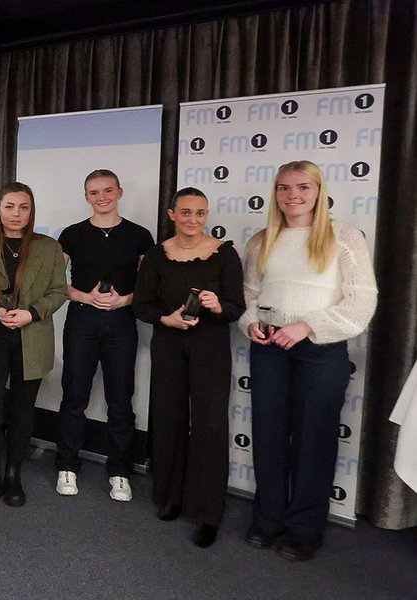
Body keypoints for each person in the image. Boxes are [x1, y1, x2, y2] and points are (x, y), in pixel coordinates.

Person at [239, 160, 377, 561]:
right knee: (268, 434)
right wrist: (251, 322)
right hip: (269, 348)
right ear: (275, 193)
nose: (293, 195)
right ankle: (268, 519)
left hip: (320, 351)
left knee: (313, 438)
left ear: (318, 191)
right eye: (284, 188)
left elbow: (361, 302)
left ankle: (305, 529)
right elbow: (249, 295)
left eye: (303, 187)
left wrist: (307, 326)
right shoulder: (261, 240)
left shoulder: (344, 236)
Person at [133, 187, 244, 548]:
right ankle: (172, 497)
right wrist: (166, 319)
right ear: (172, 214)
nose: (193, 220)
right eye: (185, 212)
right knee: (169, 420)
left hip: (210, 347)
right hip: (169, 344)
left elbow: (236, 307)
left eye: (200, 213)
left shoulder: (224, 254)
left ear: (206, 215)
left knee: (210, 426)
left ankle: (209, 513)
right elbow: (142, 306)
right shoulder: (156, 255)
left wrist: (216, 305)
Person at [0, 182, 67, 512]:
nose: (16, 214)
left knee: (22, 411)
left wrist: (31, 313)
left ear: (31, 211)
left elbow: (59, 291)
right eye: (9, 206)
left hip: (31, 336)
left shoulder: (48, 248)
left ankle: (13, 475)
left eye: (23, 207)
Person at [55, 169, 154, 501]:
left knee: (120, 399)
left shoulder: (140, 235)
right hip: (81, 321)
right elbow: (54, 282)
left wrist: (124, 300)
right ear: (86, 197)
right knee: (74, 395)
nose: (102, 197)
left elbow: (151, 285)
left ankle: (120, 471)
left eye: (108, 191)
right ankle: (66, 465)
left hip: (122, 323)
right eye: (94, 192)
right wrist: (86, 296)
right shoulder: (72, 234)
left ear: (119, 192)